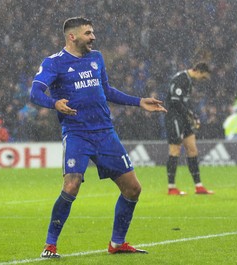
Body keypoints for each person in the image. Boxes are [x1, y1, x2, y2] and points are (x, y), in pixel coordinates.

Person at [30, 17, 167, 258]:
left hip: (105, 133)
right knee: (71, 185)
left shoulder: (97, 58)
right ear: (72, 36)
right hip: (77, 134)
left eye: (92, 32)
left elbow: (107, 90)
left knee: (133, 189)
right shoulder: (54, 62)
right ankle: (50, 245)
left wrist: (138, 102)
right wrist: (54, 104)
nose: (93, 37)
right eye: (88, 33)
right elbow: (35, 92)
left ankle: (117, 243)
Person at [164, 62, 214, 195]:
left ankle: (199, 186)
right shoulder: (181, 79)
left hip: (183, 117)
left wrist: (192, 115)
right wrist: (190, 114)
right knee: (175, 149)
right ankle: (171, 187)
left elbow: (184, 102)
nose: (203, 80)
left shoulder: (190, 81)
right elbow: (175, 101)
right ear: (198, 71)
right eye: (203, 77)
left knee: (192, 148)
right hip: (173, 116)